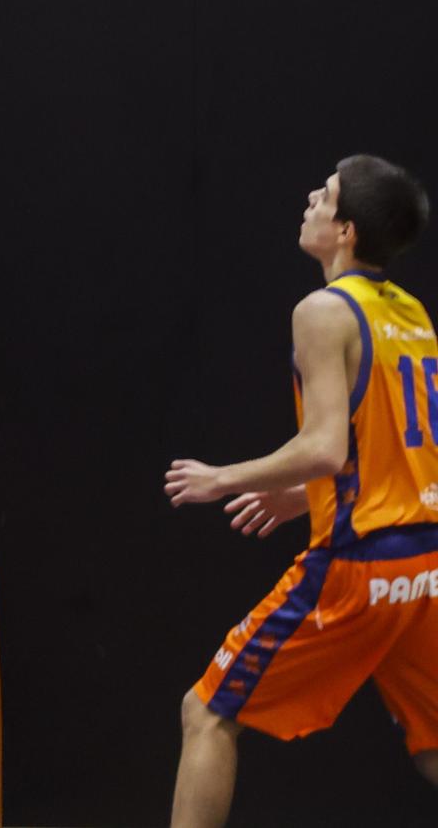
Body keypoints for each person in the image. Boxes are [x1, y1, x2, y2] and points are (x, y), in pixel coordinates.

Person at [166, 156, 438, 827]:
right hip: (427, 565)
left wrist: (220, 476)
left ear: (345, 230)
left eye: (326, 195)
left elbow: (324, 446)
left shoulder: (323, 309)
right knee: (435, 745)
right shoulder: (410, 309)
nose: (311, 198)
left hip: (361, 566)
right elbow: (402, 444)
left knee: (207, 710)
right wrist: (303, 496)